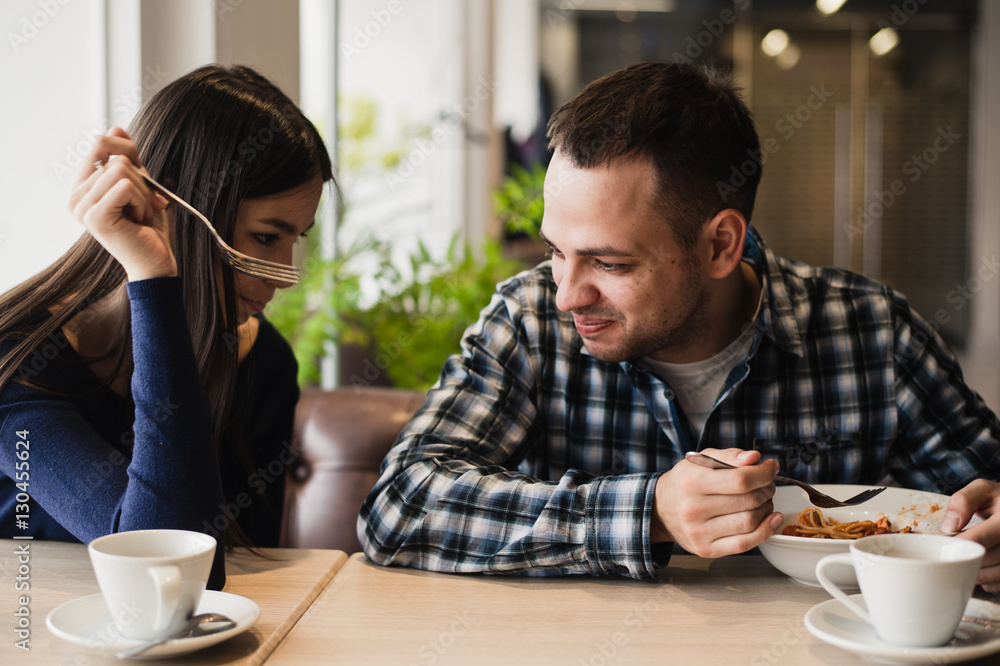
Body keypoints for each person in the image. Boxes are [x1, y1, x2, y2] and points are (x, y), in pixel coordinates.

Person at [358, 61, 1000, 590]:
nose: (567, 296)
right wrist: (648, 512)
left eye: (609, 262)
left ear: (722, 244)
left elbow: (983, 487)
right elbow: (400, 507)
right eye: (556, 251)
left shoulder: (873, 334)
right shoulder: (528, 323)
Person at [0, 65, 333, 589]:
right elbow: (159, 562)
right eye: (268, 236)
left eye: (297, 239)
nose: (287, 275)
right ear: (173, 209)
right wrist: (153, 276)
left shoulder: (263, 363)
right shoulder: (20, 359)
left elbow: (219, 583)